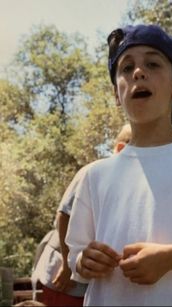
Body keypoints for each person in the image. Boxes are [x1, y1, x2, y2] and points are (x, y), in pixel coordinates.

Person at [65, 24, 172, 306]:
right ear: (116, 96)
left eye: (153, 63)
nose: (138, 72)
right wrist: (86, 261)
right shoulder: (95, 176)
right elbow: (76, 260)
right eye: (126, 67)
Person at [31, 124, 132, 307]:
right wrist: (67, 265)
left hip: (91, 280)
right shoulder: (93, 172)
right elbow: (64, 215)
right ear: (120, 149)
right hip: (63, 275)